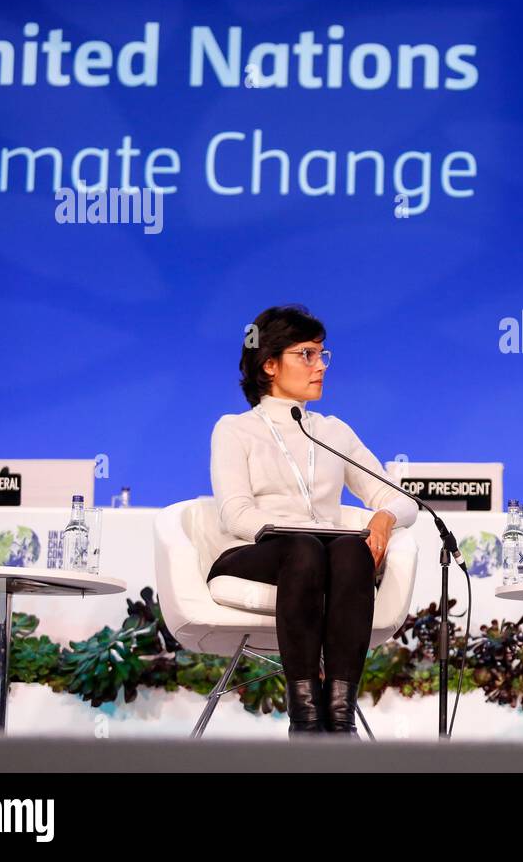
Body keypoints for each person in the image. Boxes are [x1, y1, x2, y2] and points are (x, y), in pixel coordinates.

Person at [208, 304, 418, 736]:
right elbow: (235, 513)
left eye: (322, 354)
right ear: (269, 364)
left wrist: (382, 520)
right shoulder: (234, 429)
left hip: (326, 560)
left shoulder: (333, 431)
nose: (319, 366)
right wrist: (290, 532)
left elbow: (401, 501)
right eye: (305, 354)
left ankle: (339, 716)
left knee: (350, 550)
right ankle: (304, 716)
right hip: (261, 555)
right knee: (306, 549)